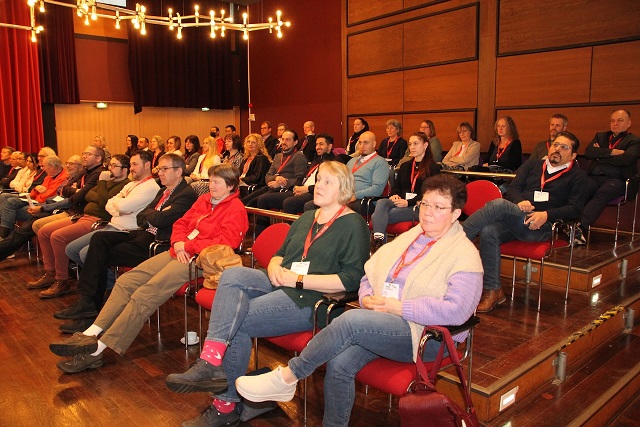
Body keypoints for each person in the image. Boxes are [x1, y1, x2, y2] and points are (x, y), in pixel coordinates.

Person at [234, 174, 483, 427]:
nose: (428, 212)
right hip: (385, 320)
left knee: (351, 321)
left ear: (455, 214)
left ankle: (288, 376)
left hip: (427, 336)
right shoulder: (412, 237)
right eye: (425, 204)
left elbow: (457, 311)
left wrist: (400, 307)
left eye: (438, 207)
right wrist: (367, 298)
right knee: (340, 362)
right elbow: (369, 274)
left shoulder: (464, 255)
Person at [164, 161, 370, 427]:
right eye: (318, 179)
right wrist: (274, 266)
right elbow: (281, 254)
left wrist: (298, 280)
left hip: (311, 297)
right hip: (280, 280)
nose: (319, 185)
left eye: (327, 182)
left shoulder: (354, 225)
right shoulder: (307, 217)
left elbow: (350, 281)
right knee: (232, 275)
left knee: (237, 319)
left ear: (344, 188)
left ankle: (226, 406)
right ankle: (210, 361)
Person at [48, 163, 249, 373]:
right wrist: (178, 243)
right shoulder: (204, 200)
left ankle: (96, 351)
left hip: (200, 261)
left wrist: (187, 246)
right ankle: (90, 333)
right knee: (126, 281)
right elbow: (180, 224)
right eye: (211, 181)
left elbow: (227, 242)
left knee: (146, 294)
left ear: (230, 186)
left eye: (217, 182)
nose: (212, 186)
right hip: (178, 251)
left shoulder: (235, 209)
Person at [53, 153, 198, 334]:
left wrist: (152, 215)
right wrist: (153, 215)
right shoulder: (163, 191)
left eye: (164, 169)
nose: (160, 173)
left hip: (157, 244)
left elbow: (161, 220)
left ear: (178, 171)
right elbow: (141, 217)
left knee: (98, 255)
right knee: (99, 239)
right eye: (159, 169)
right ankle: (87, 302)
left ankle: (90, 308)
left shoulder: (187, 194)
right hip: (143, 234)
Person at [463, 132, 588, 312]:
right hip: (517, 217)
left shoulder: (578, 176)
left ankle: (457, 239)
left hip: (542, 226)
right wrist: (520, 201)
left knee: (498, 205)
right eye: (555, 144)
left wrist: (546, 214)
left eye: (564, 147)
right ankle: (493, 290)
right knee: (489, 231)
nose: (557, 149)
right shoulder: (532, 165)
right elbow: (513, 189)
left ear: (573, 155)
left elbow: (575, 209)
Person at [28, 152, 159, 299]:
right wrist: (117, 206)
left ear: (147, 165)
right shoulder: (131, 184)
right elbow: (99, 199)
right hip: (109, 225)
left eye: (135, 164)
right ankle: (104, 282)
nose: (132, 168)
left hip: (124, 230)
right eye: (131, 164)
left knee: (83, 252)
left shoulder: (149, 187)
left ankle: (108, 287)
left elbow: (115, 205)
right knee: (71, 249)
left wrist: (116, 203)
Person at [574, 110, 640, 244]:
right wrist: (613, 152)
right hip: (595, 176)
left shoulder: (634, 141)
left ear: (628, 123)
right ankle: (567, 221)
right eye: (612, 121)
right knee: (582, 188)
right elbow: (589, 152)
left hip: (617, 179)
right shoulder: (601, 136)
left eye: (620, 120)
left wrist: (600, 155)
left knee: (604, 192)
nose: (615, 124)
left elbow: (627, 159)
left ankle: (579, 226)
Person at [372, 132, 440, 245]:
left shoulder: (433, 168)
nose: (412, 147)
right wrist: (395, 195)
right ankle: (379, 239)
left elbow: (430, 193)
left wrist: (408, 202)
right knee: (382, 202)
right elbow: (396, 187)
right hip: (401, 202)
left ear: (425, 145)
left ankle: (379, 242)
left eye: (416, 144)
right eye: (410, 144)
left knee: (377, 216)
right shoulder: (405, 166)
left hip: (418, 207)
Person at [307, 131, 387, 212]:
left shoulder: (380, 162)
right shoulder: (352, 161)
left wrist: (355, 196)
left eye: (366, 143)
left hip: (362, 200)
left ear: (374, 144)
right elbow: (341, 180)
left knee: (335, 207)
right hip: (344, 196)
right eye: (360, 143)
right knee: (310, 205)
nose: (362, 146)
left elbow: (377, 189)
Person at [0, 155, 68, 238]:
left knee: (10, 205)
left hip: (43, 205)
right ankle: (6, 236)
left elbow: (47, 197)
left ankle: (4, 235)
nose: (43, 169)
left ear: (52, 167)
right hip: (35, 200)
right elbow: (33, 193)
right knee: (4, 197)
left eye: (44, 166)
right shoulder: (49, 177)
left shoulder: (63, 178)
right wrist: (36, 189)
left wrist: (37, 193)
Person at [242, 129, 308, 208]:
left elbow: (299, 180)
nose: (284, 142)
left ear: (295, 142)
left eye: (288, 140)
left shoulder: (299, 156)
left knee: (260, 200)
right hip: (272, 187)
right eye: (283, 139)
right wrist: (276, 178)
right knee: (245, 202)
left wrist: (281, 184)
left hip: (287, 189)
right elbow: (267, 177)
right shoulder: (278, 156)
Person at [283, 133, 336, 214]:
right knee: (266, 198)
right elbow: (303, 176)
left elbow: (326, 185)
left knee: (289, 203)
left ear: (329, 146)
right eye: (316, 144)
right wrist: (296, 186)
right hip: (302, 189)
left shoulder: (333, 163)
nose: (317, 147)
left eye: (321, 144)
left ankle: (298, 223)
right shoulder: (316, 159)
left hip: (314, 191)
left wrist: (307, 189)